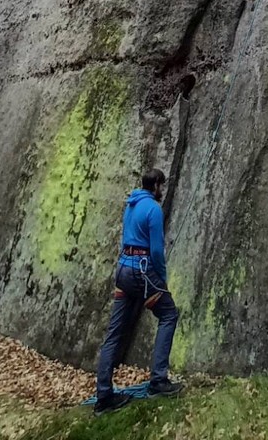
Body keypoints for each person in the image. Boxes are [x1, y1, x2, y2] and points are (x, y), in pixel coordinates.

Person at [94, 168, 182, 415]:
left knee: (115, 332)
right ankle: (158, 381)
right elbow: (156, 250)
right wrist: (161, 280)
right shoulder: (153, 209)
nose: (162, 191)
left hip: (123, 270)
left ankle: (104, 396)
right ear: (155, 186)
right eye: (161, 186)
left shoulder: (131, 205)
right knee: (169, 314)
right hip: (141, 273)